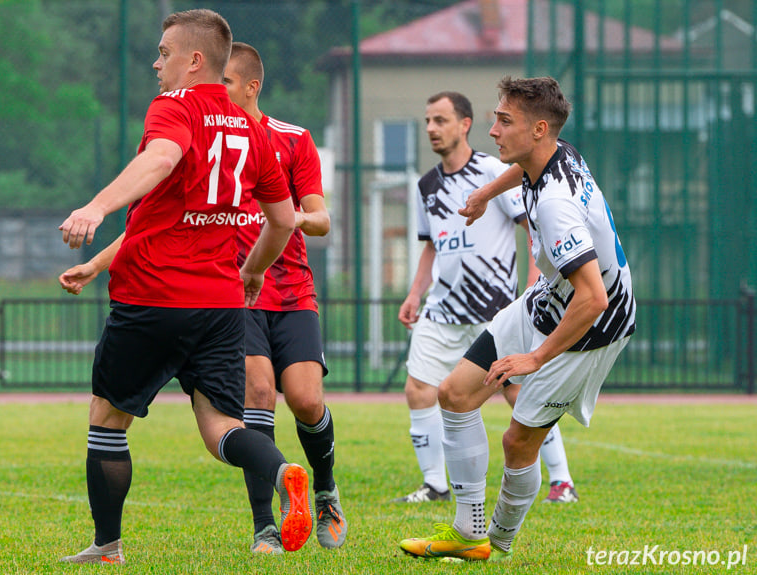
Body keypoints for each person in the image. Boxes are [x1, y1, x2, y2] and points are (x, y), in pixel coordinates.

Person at [56, 10, 314, 564]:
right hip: (221, 304)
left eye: (164, 51)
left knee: (107, 417)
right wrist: (253, 272)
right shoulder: (252, 128)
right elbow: (284, 221)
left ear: (194, 60)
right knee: (221, 427)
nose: (156, 63)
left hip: (152, 297)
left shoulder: (176, 106)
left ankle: (107, 546)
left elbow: (161, 157)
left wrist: (96, 206)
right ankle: (282, 469)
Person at [399, 76, 635, 562]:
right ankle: (468, 532)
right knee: (454, 393)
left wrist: (535, 358)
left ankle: (496, 543)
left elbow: (593, 299)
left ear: (539, 128)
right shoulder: (555, 152)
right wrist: (486, 193)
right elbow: (523, 172)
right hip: (549, 299)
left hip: (589, 330)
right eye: (495, 118)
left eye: (504, 122)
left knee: (517, 441)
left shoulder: (554, 207)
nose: (493, 131)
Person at [393, 91, 579, 505]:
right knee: (419, 389)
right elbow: (431, 245)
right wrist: (414, 293)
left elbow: (530, 228)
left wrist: (535, 285)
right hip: (442, 309)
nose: (431, 129)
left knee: (520, 392)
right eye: (427, 121)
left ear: (465, 125)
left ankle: (561, 481)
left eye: (440, 120)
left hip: (494, 310)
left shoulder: (494, 171)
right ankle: (435, 484)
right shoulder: (426, 185)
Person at [222, 42, 347, 555]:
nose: (218, 91)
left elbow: (321, 219)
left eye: (226, 82)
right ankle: (264, 528)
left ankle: (325, 491)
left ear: (252, 86)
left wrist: (286, 217)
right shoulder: (206, 142)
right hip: (236, 294)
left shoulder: (292, 140)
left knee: (306, 399)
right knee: (257, 393)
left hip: (292, 290)